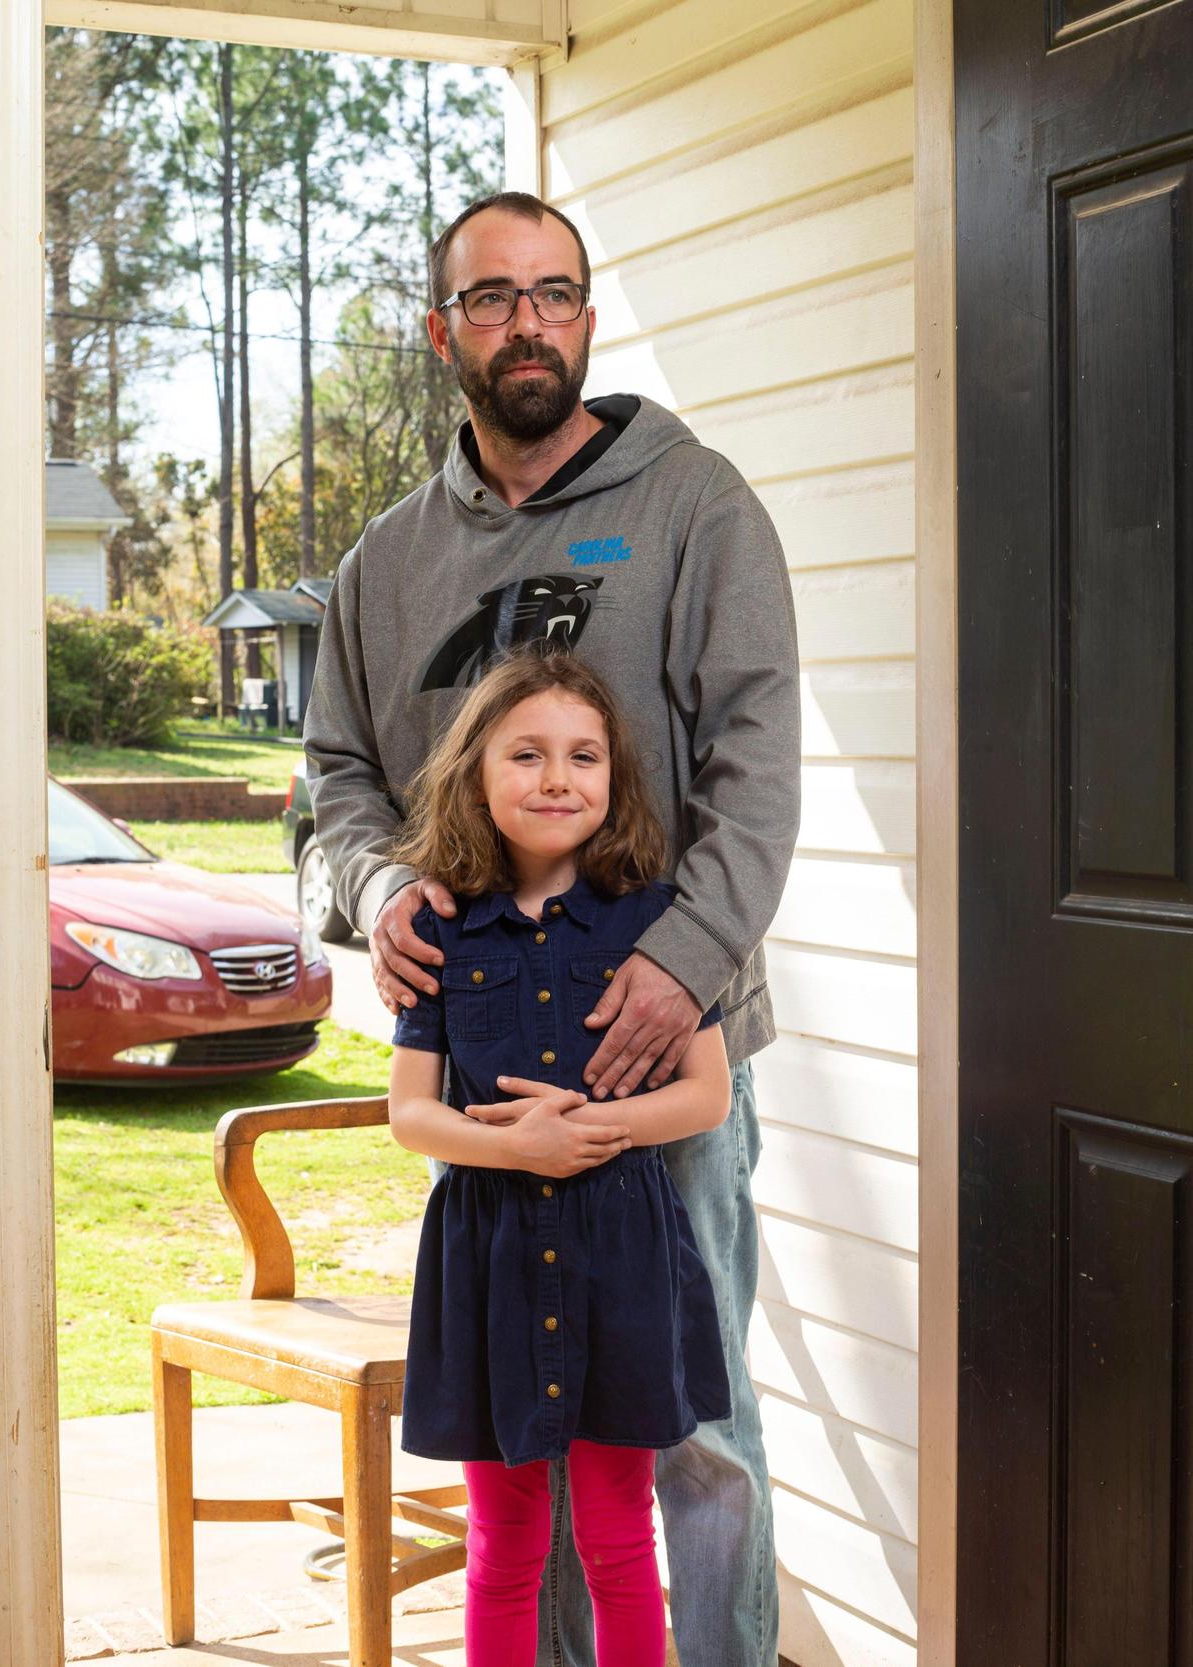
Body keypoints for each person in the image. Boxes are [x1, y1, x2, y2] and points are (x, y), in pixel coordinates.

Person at [302, 189, 800, 1667]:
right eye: (498, 295)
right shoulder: (381, 567)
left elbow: (760, 775)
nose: (532, 320)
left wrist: (681, 962)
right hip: (489, 1075)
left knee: (686, 1421)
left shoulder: (694, 507)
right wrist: (378, 887)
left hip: (667, 1062)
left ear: (586, 317)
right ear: (443, 328)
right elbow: (334, 777)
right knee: (534, 1422)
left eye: (558, 293)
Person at [387, 649, 733, 1666]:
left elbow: (705, 1094)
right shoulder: (437, 926)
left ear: (614, 779)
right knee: (503, 1541)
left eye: (584, 755)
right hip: (486, 1257)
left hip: (619, 1254)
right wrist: (518, 1147)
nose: (556, 777)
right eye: (526, 753)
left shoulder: (654, 919)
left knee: (620, 1534)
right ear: (476, 775)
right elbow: (411, 1113)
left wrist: (598, 1129)